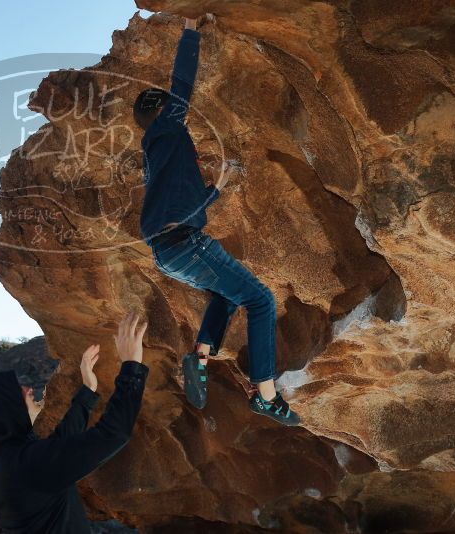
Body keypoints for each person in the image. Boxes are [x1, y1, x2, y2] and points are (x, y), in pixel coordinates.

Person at [132, 15, 300, 426]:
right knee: (260, 300)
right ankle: (265, 392)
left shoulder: (153, 151)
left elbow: (171, 199)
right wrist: (191, 31)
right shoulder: (167, 128)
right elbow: (182, 86)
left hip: (167, 252)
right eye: (166, 105)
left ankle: (201, 355)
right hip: (185, 243)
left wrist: (212, 190)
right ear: (159, 110)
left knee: (226, 296)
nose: (176, 111)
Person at [0, 312, 149, 533]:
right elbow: (112, 435)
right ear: (5, 407)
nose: (28, 389)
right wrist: (131, 366)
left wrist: (87, 391)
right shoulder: (26, 463)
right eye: (17, 391)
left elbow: (59, 444)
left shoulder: (4, 456)